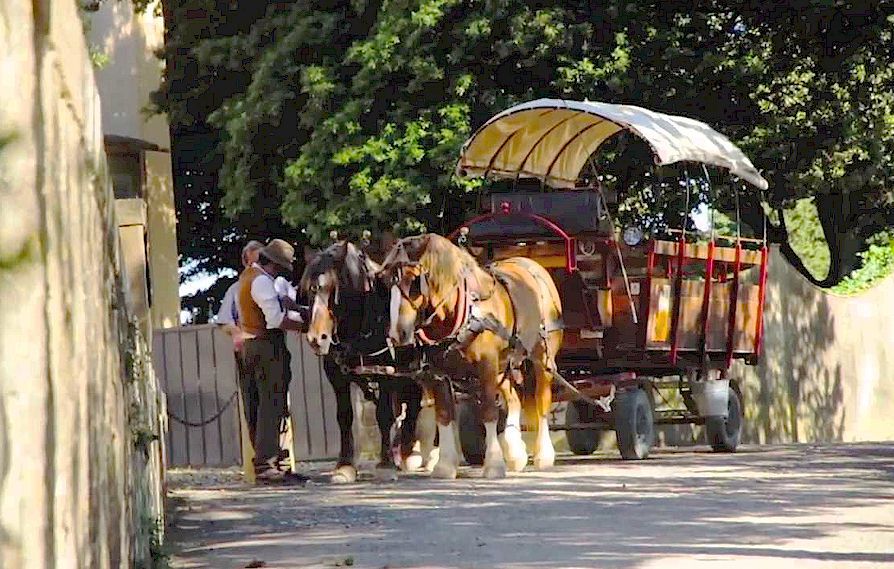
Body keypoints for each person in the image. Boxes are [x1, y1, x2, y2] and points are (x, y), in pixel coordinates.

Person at [237, 238, 308, 484]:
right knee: (272, 404)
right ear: (273, 265)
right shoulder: (261, 282)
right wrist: (306, 326)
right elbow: (275, 320)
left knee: (258, 406)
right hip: (266, 346)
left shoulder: (248, 277)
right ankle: (267, 465)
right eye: (279, 268)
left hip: (250, 345)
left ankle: (272, 462)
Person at [216, 240, 264, 448]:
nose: (255, 268)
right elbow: (224, 320)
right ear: (245, 263)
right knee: (252, 404)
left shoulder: (273, 284)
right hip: (248, 352)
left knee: (275, 405)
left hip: (271, 349)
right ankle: (260, 456)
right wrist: (238, 333)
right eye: (252, 263)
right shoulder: (236, 289)